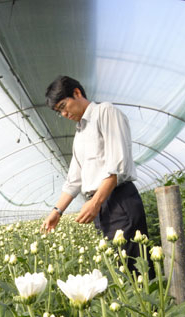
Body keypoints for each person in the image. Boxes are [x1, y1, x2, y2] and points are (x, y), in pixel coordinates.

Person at [41, 75, 151, 275]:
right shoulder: (80, 134)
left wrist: (95, 202)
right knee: (120, 270)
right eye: (59, 111)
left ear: (77, 92)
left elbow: (118, 165)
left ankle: (153, 306)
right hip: (101, 206)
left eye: (64, 106)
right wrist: (57, 211)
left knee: (135, 268)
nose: (64, 113)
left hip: (118, 200)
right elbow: (74, 179)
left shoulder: (104, 112)